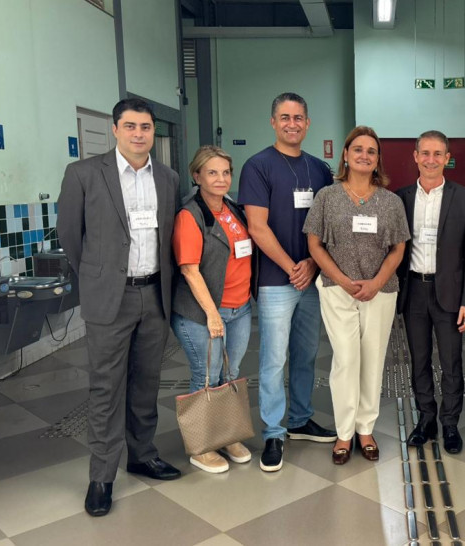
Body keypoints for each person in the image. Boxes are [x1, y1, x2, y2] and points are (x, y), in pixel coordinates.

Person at [58, 98, 181, 517]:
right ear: (115, 130)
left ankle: (142, 455)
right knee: (106, 388)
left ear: (153, 132)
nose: (138, 134)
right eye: (130, 126)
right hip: (110, 297)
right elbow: (70, 236)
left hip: (154, 294)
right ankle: (101, 476)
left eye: (145, 127)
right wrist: (100, 276)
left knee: (146, 383)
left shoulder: (167, 178)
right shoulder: (84, 174)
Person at [238, 92, 336, 473]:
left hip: (311, 280)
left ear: (308, 123)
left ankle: (299, 419)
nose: (291, 124)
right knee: (273, 359)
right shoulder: (258, 166)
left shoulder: (320, 170)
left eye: (298, 118)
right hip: (276, 282)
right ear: (273, 122)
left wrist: (311, 264)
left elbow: (328, 225)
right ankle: (274, 432)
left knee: (306, 354)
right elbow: (257, 227)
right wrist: (293, 266)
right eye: (284, 117)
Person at [304, 126, 410, 465]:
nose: (364, 155)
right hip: (337, 290)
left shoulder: (390, 202)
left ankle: (365, 429)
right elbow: (314, 245)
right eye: (358, 149)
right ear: (346, 155)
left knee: (373, 360)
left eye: (371, 151)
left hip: (380, 291)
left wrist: (376, 282)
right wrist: (343, 280)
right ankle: (344, 432)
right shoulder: (327, 197)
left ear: (378, 160)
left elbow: (398, 249)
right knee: (346, 359)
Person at [171, 145, 256, 474]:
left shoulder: (232, 208)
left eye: (225, 172)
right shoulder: (190, 215)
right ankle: (202, 446)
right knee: (206, 376)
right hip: (203, 312)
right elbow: (190, 270)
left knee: (230, 376)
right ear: (197, 176)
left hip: (240, 308)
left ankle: (227, 435)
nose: (220, 179)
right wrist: (212, 314)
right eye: (211, 172)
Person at [396, 130, 465, 454]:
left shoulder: (464, 197)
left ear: (447, 158)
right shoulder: (401, 198)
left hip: (450, 294)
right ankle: (426, 419)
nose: (430, 160)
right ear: (416, 157)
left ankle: (450, 423)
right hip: (414, 290)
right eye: (425, 153)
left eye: (437, 154)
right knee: (418, 360)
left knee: (451, 362)